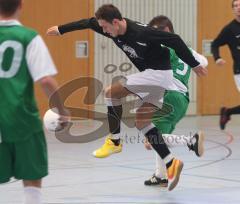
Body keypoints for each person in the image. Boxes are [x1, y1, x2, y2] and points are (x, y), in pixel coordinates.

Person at [47, 4, 207, 190]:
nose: (104, 31)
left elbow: (175, 39)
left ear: (115, 22)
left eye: (106, 27)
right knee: (142, 121)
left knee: (110, 92)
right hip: (156, 77)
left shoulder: (141, 33)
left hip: (159, 74)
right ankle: (171, 163)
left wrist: (194, 64)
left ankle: (114, 141)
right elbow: (88, 23)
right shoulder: (110, 29)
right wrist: (61, 29)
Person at [0, 0, 68, 203]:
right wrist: (62, 110)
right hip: (21, 120)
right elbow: (45, 80)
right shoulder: (28, 37)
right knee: (31, 176)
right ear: (20, 6)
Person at [143, 15, 207, 187]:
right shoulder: (188, 50)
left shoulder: (162, 49)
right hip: (183, 99)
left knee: (152, 139)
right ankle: (161, 175)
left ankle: (189, 141)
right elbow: (204, 61)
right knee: (160, 138)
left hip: (168, 96)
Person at [211, 0, 240, 130]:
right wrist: (217, 58)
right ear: (233, 9)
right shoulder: (229, 29)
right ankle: (228, 112)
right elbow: (215, 44)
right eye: (236, 5)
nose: (239, 7)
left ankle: (227, 112)